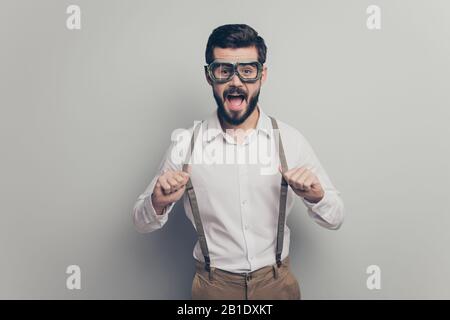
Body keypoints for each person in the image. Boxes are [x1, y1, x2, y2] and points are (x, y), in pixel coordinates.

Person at [133, 24, 344, 300]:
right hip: (213, 287)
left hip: (277, 285)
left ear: (262, 75)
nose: (236, 82)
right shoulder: (186, 146)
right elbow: (141, 221)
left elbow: (336, 217)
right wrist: (157, 201)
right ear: (209, 76)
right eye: (224, 70)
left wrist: (317, 197)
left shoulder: (290, 141)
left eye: (247, 70)